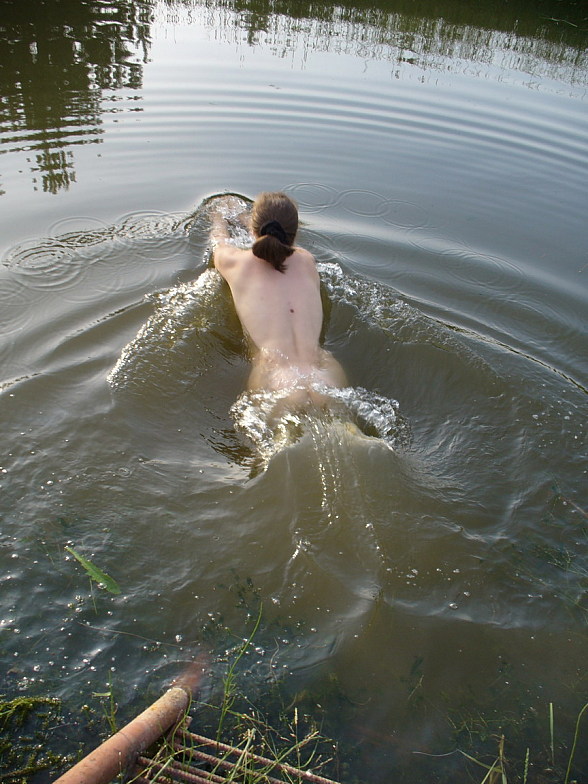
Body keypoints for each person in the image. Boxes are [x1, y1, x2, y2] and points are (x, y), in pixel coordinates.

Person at [210, 192, 347, 410]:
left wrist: (217, 214)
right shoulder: (307, 260)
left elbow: (219, 240)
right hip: (324, 373)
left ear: (255, 231)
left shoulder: (234, 263)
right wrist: (251, 220)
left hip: (275, 377)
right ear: (295, 232)